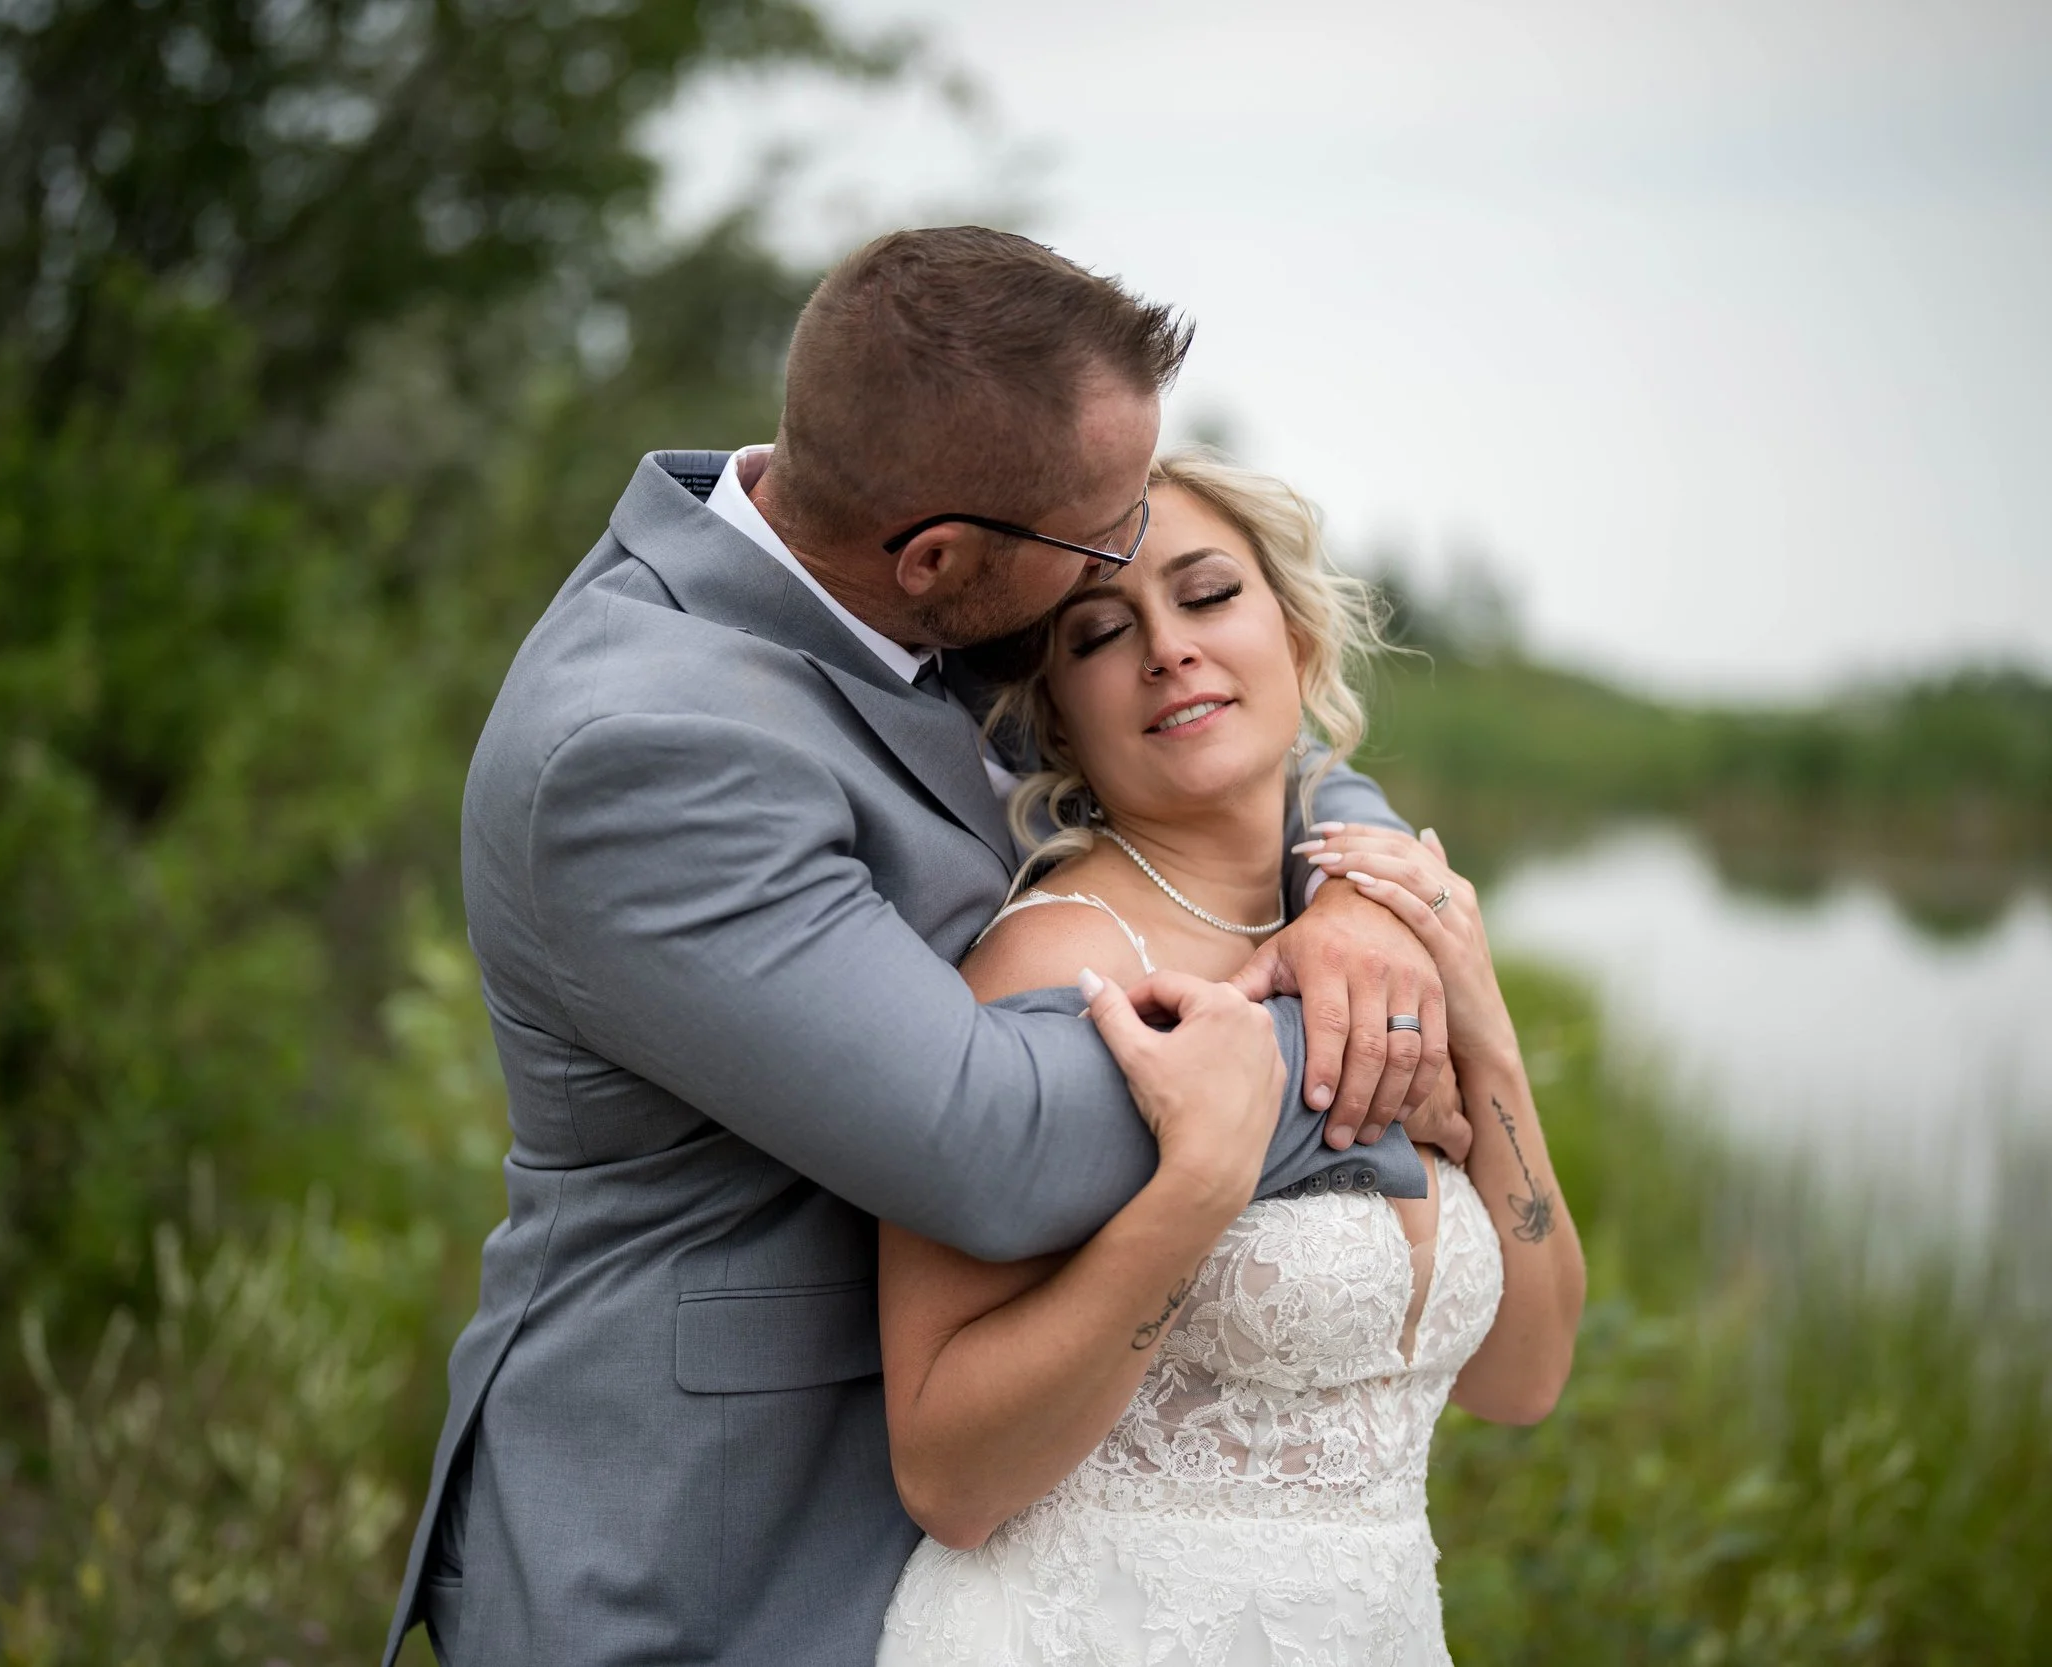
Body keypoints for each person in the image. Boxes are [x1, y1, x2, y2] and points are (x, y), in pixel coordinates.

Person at [383, 227, 1465, 1666]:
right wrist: (1351, 1052)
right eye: (1106, 539)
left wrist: (1357, 900)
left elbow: (1245, 736)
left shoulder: (905, 563)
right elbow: (985, 1138)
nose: (1134, 553)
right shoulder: (638, 747)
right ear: (940, 558)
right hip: (700, 1558)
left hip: (980, 1545)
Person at [876, 453, 1585, 1665]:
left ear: (1299, 640)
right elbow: (948, 1475)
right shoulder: (1055, 970)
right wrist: (1198, 1186)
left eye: (1208, 596)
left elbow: (1521, 1376)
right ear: (1057, 710)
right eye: (1103, 631)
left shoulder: (1390, 944)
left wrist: (1487, 1035)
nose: (1167, 648)